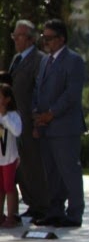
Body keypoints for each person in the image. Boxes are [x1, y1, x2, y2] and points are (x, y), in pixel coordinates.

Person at [33, 18, 86, 228]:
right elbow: (38, 89)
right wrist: (37, 115)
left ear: (61, 38)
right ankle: (55, 211)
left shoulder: (74, 61)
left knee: (69, 172)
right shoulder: (45, 61)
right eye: (43, 37)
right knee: (52, 173)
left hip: (65, 127)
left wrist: (51, 113)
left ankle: (74, 214)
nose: (45, 42)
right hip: (46, 127)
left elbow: (72, 94)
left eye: (49, 38)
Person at [6, 20, 47, 220]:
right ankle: (31, 202)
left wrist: (37, 118)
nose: (15, 39)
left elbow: (40, 91)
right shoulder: (16, 59)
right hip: (15, 121)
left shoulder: (39, 60)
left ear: (30, 39)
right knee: (20, 166)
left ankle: (42, 205)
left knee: (34, 164)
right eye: (14, 35)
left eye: (19, 36)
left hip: (29, 122)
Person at [0, 83, 23, 228]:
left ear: (7, 99)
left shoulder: (14, 115)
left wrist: (5, 117)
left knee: (9, 186)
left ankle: (11, 216)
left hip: (9, 157)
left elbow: (17, 131)